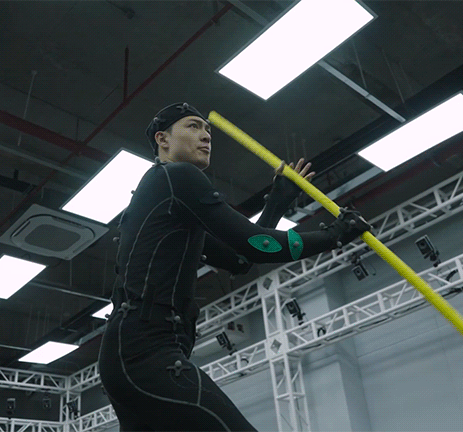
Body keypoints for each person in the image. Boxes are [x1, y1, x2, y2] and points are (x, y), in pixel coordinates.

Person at [98, 102, 371, 431]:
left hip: (131, 355)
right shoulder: (177, 176)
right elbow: (254, 242)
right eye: (193, 126)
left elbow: (241, 258)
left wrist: (278, 200)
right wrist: (334, 235)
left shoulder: (168, 199)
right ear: (162, 139)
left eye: (207, 130)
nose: (205, 136)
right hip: (146, 353)